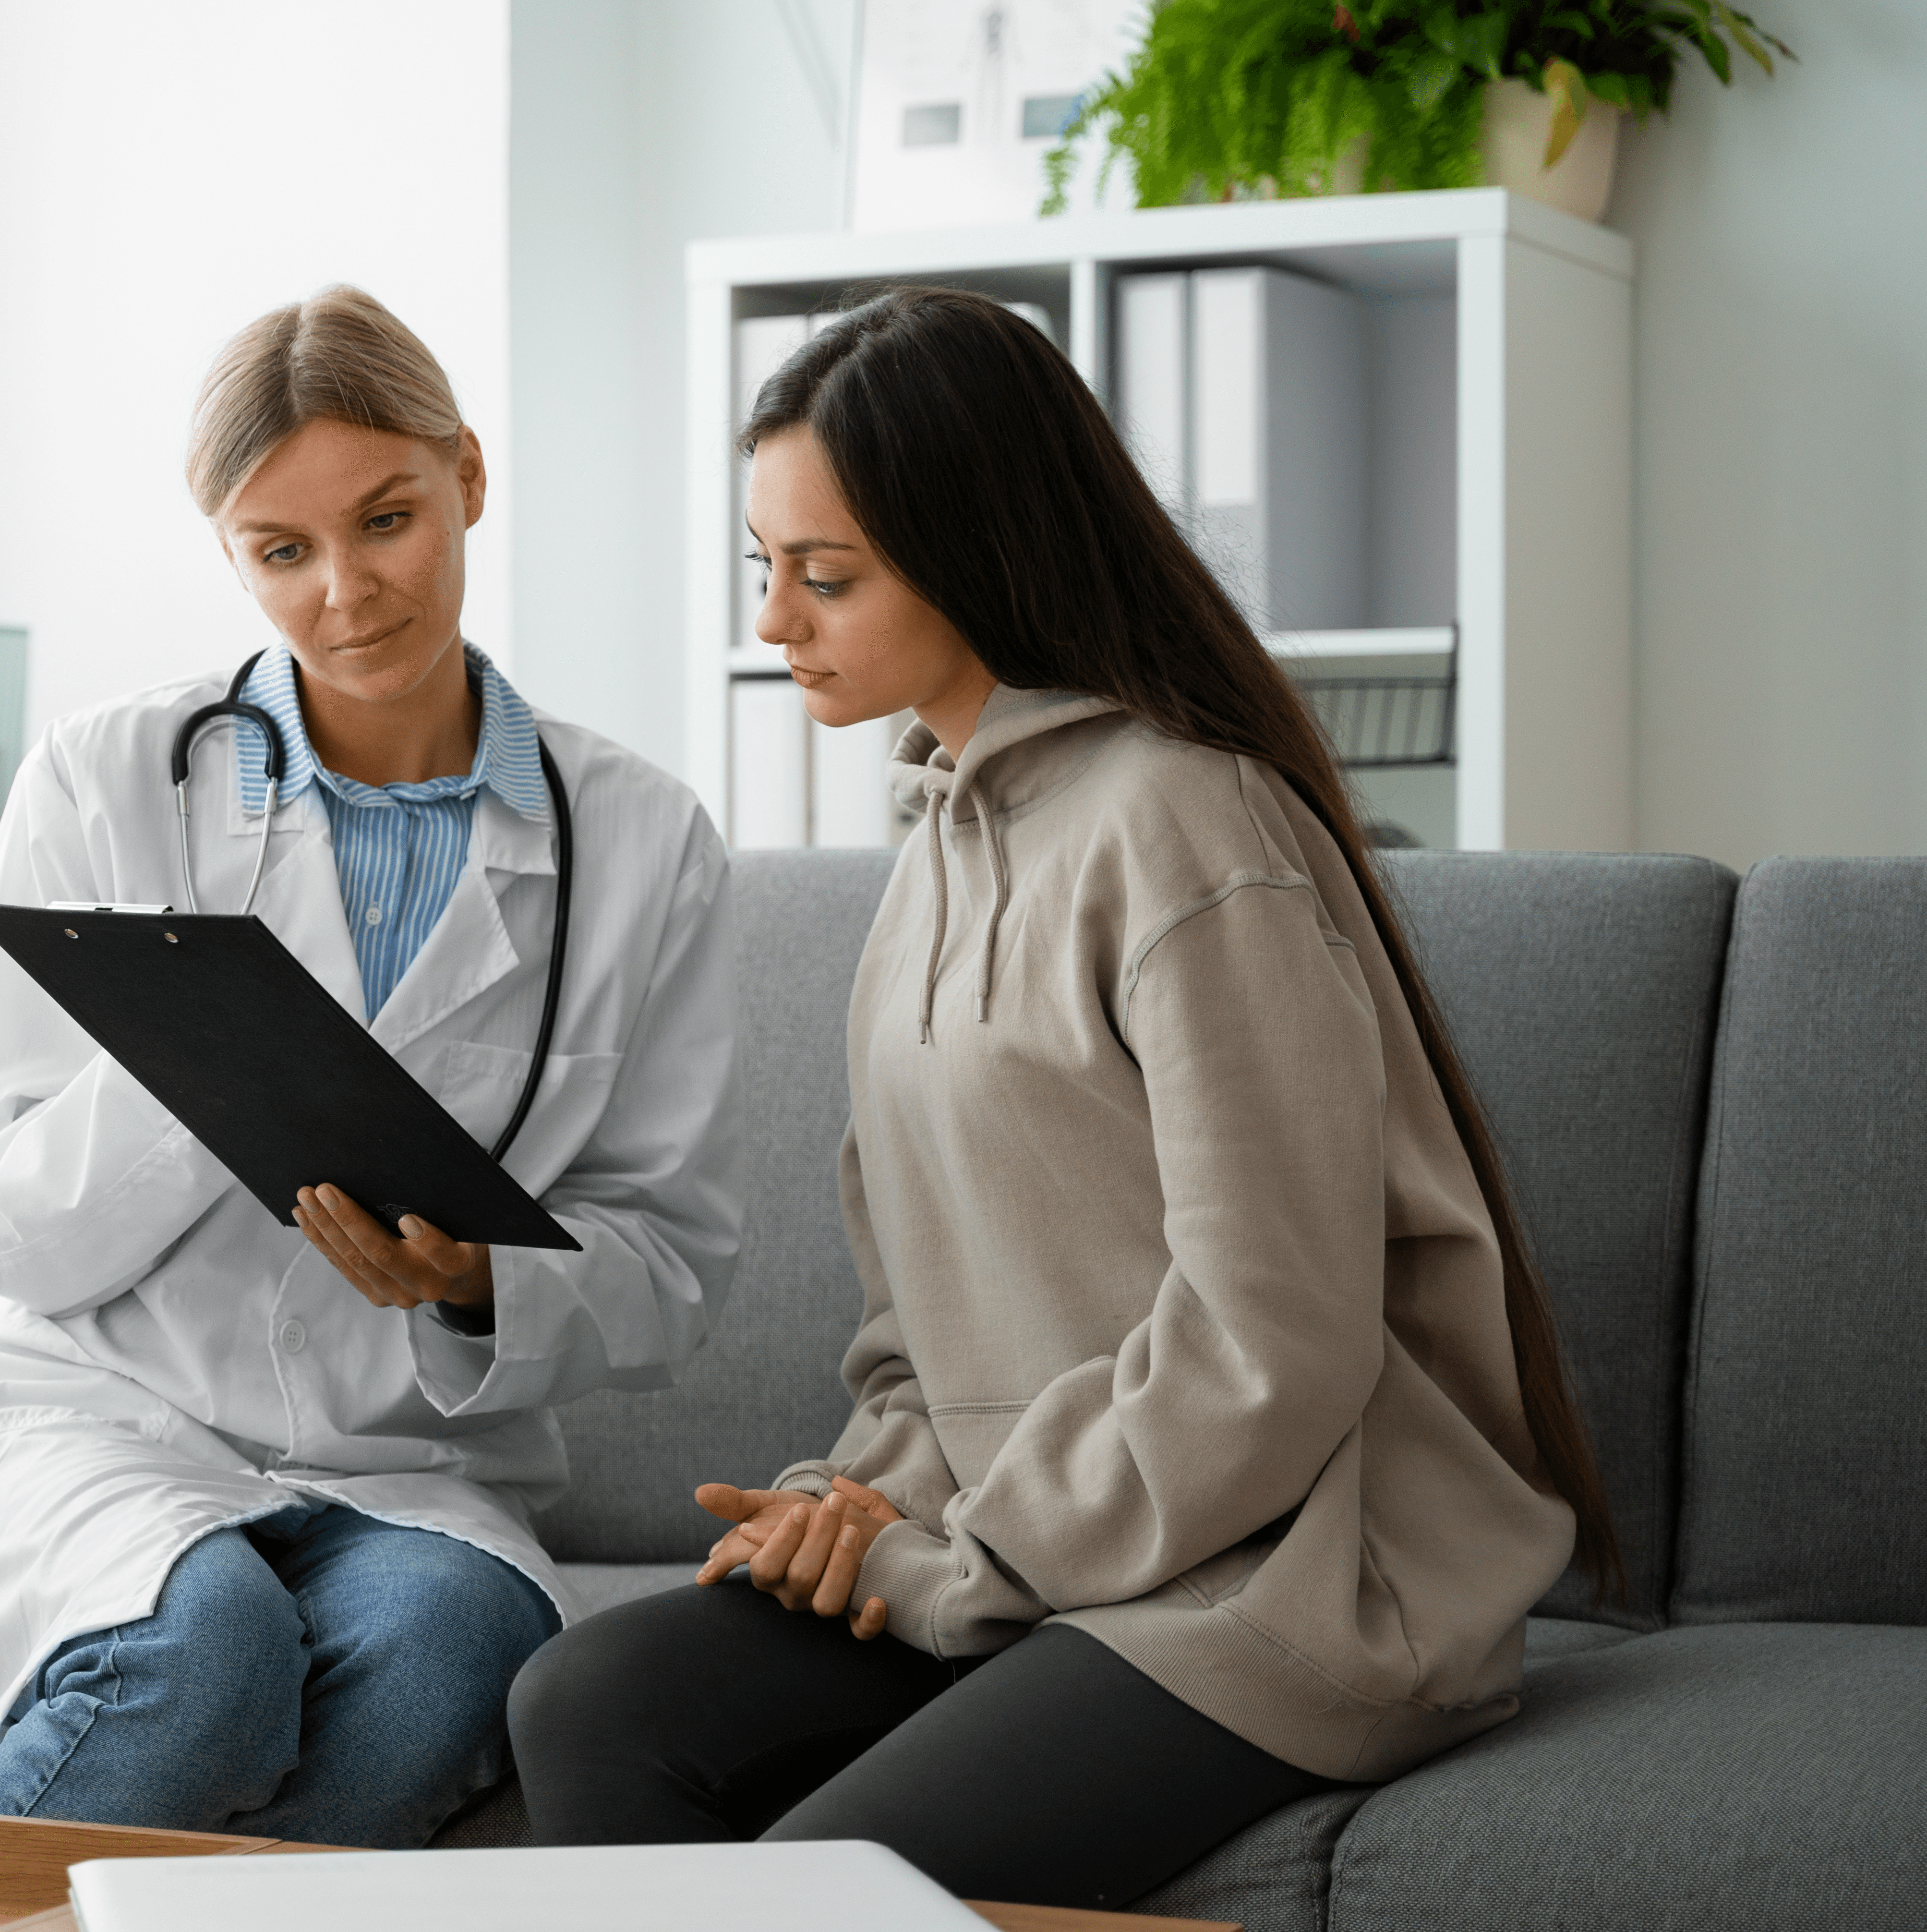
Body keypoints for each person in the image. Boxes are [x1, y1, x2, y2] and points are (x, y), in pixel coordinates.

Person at [508, 287, 1617, 1908]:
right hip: (1049, 1551)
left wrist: (966, 1556)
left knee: (821, 1887)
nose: (776, 621)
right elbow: (925, 1336)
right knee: (593, 1697)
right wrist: (861, 1501)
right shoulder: (936, 851)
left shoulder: (1186, 828)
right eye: (766, 568)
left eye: (827, 577)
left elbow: (1275, 1342)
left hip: (1278, 1580)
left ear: (978, 549)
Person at [0, 285, 742, 1848]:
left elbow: (674, 1254)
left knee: (449, 1659)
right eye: (281, 552)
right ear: (231, 555)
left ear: (468, 477)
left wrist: (485, 1280)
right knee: (201, 1660)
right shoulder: (104, 780)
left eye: (389, 518)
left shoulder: (645, 838)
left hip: (405, 1460)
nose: (346, 593)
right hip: (100, 1407)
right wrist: (199, 1058)